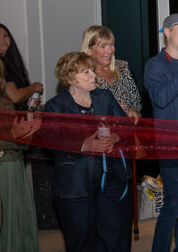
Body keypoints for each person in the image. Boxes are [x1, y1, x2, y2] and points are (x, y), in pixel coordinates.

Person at [45, 52, 132, 252]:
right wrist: (84, 145)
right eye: (86, 72)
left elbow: (126, 127)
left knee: (116, 234)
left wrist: (115, 137)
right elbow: (50, 141)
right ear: (69, 79)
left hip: (111, 178)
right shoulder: (55, 106)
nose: (93, 75)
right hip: (75, 183)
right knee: (82, 239)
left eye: (92, 70)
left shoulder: (105, 97)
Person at [145, 13, 178, 252]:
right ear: (166, 32)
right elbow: (160, 98)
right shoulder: (156, 64)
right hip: (171, 147)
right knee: (174, 204)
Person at [0, 57, 40, 252]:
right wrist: (11, 135)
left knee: (20, 219)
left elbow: (17, 142)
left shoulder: (5, 102)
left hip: (15, 166)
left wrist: (26, 135)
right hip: (1, 169)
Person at [80, 26, 141, 121]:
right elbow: (83, 112)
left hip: (129, 130)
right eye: (103, 46)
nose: (109, 51)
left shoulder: (122, 66)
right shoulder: (84, 76)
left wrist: (133, 109)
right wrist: (114, 112)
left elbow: (136, 100)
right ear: (89, 51)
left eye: (111, 45)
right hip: (101, 133)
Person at [0, 23, 43, 110]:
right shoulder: (0, 63)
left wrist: (28, 103)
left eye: (6, 35)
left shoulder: (10, 62)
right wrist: (34, 87)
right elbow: (14, 97)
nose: (2, 39)